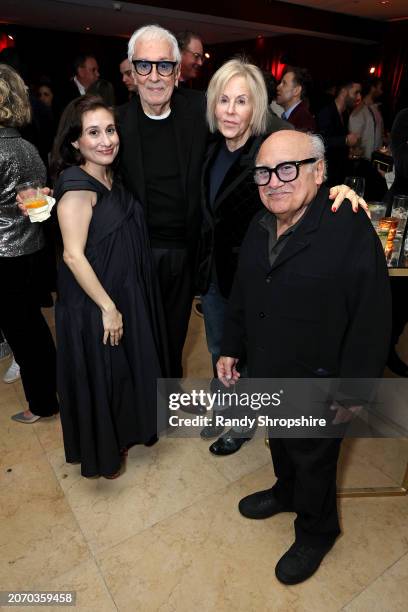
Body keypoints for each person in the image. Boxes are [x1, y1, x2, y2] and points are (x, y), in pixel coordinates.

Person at [217, 130, 390, 584]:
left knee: (315, 458)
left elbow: (372, 319)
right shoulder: (259, 225)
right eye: (264, 172)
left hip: (320, 378)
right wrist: (232, 347)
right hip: (271, 367)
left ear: (319, 171)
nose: (274, 181)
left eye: (287, 169)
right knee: (282, 442)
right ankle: (286, 492)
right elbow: (243, 292)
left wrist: (354, 390)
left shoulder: (347, 227)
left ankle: (317, 530)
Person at [51, 95, 167, 478]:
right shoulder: (76, 189)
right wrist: (108, 307)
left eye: (110, 130)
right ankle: (106, 446)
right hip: (94, 301)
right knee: (106, 375)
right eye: (93, 132)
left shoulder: (110, 174)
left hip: (122, 289)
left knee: (122, 370)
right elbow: (72, 256)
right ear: (75, 141)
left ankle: (126, 430)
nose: (106, 140)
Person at [119, 24, 208, 379]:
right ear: (131, 70)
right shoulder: (116, 122)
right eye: (144, 65)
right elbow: (83, 163)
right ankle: (141, 404)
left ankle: (165, 399)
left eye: (164, 65)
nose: (154, 76)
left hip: (186, 251)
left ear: (177, 70)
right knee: (137, 333)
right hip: (135, 250)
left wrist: (307, 154)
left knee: (174, 333)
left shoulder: (202, 111)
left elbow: (253, 124)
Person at [0, 63, 59, 423]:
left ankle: (42, 403)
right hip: (32, 250)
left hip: (4, 255)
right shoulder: (27, 147)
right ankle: (50, 391)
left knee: (23, 333)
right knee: (33, 326)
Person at [383, 108, 408, 377]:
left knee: (405, 299)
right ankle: (375, 351)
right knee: (391, 288)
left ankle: (389, 348)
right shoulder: (404, 118)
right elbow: (403, 164)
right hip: (399, 215)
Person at [317, 79, 362, 186]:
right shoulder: (326, 112)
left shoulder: (345, 114)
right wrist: (345, 140)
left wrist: (349, 151)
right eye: (356, 92)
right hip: (326, 176)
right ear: (344, 92)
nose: (359, 97)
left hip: (338, 174)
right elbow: (320, 141)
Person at [349, 77, 385, 160]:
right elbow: (354, 144)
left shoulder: (374, 108)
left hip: (376, 158)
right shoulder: (359, 112)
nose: (381, 91)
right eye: (380, 88)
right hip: (365, 162)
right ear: (373, 88)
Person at [276, 67, 316, 131]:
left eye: (284, 83)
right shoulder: (293, 116)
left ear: (296, 91)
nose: (278, 87)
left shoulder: (304, 121)